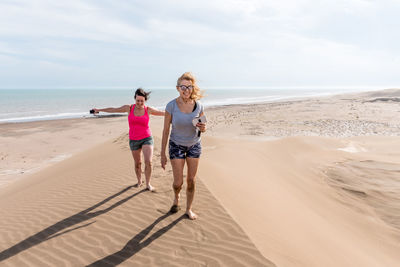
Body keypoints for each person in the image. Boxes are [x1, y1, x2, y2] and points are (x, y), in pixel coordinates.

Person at [93, 88, 165, 191]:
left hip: (146, 138)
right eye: (138, 100)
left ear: (145, 100)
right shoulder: (129, 108)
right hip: (134, 139)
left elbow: (163, 113)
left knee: (148, 161)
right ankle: (139, 181)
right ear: (135, 99)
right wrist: (99, 110)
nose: (140, 103)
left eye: (142, 101)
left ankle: (148, 184)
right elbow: (114, 109)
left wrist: (178, 113)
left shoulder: (148, 109)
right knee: (137, 163)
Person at [161, 72, 206, 220]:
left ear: (192, 88)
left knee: (191, 180)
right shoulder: (171, 106)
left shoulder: (199, 106)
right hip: (176, 145)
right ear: (177, 88)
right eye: (183, 87)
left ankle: (188, 209)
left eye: (189, 87)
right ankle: (176, 197)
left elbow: (203, 127)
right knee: (178, 182)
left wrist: (202, 128)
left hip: (194, 145)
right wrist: (162, 154)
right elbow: (166, 130)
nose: (186, 90)